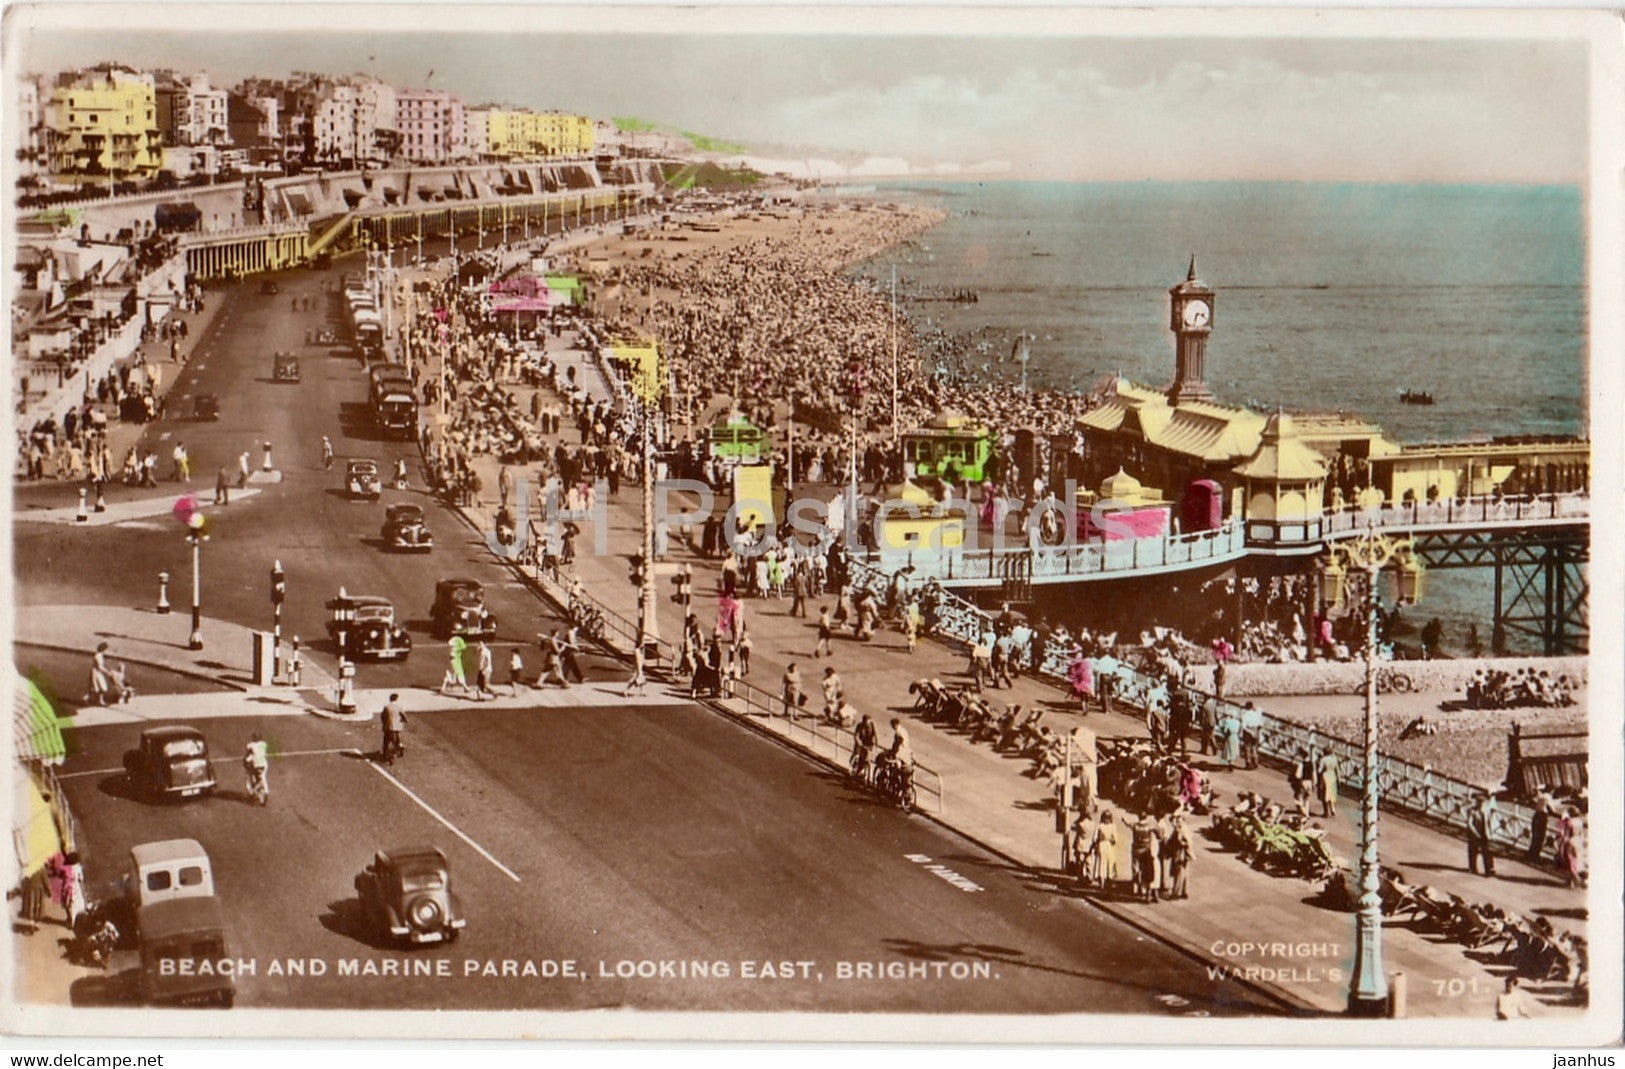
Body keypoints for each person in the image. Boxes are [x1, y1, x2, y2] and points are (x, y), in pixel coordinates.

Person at [1466, 792, 1497, 878]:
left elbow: (1489, 822)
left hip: (1485, 834)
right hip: (1474, 834)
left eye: (1482, 802)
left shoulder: (1486, 811)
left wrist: (1491, 833)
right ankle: (1472, 868)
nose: (1480, 804)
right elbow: (1469, 823)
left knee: (1487, 852)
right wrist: (1475, 833)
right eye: (1479, 802)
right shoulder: (1472, 811)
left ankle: (1488, 870)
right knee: (1473, 851)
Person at [1165, 812, 1192, 899]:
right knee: (1185, 873)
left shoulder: (1180, 830)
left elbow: (1180, 841)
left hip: (1180, 854)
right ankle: (1185, 891)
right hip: (1186, 854)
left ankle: (1176, 892)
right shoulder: (1186, 829)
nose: (1177, 822)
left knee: (1178, 874)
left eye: (1178, 820)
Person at [243, 732, 269, 802]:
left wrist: (245, 761)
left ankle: (252, 791)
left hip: (256, 765)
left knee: (249, 774)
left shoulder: (250, 745)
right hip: (264, 764)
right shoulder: (264, 744)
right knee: (263, 775)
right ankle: (259, 786)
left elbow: (248, 755)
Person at [852, 712, 879, 781]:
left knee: (866, 756)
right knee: (858, 753)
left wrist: (876, 743)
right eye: (865, 723)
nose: (866, 725)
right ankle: (856, 766)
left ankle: (865, 768)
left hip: (869, 742)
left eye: (867, 723)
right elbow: (856, 736)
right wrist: (859, 743)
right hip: (861, 742)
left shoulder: (873, 725)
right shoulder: (860, 725)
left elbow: (876, 735)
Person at [381, 694, 406, 763]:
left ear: (390, 699)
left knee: (386, 741)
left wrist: (384, 724)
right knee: (398, 737)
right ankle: (400, 745)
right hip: (397, 726)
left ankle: (386, 754)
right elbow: (403, 715)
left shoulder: (386, 707)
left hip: (389, 726)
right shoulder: (399, 706)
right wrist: (404, 720)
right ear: (396, 699)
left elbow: (383, 716)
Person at [1316, 750, 1340, 818]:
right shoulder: (1334, 759)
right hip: (1332, 776)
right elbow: (1337, 770)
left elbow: (1319, 770)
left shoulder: (1323, 760)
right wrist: (1339, 779)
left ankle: (1326, 812)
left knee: (1324, 795)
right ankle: (1333, 809)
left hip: (1325, 777)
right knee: (1331, 794)